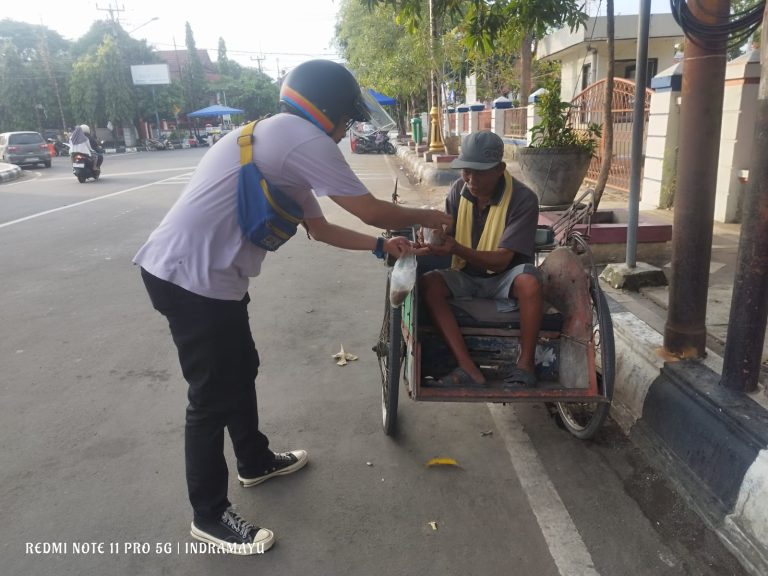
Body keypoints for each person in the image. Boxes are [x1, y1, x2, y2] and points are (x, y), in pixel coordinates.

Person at [133, 59, 451, 555]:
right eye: (346, 118)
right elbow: (370, 209)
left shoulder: (279, 142)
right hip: (190, 278)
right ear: (322, 110)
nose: (347, 129)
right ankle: (209, 516)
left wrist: (378, 247)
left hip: (210, 279)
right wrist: (432, 213)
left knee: (241, 367)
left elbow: (320, 228)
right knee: (212, 394)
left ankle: (255, 462)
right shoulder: (300, 138)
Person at [419, 130, 543, 388]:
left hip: (504, 277)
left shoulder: (524, 199)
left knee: (530, 282)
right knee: (429, 283)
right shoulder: (458, 191)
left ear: (500, 169)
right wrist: (433, 237)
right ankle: (467, 367)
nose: (471, 179)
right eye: (466, 170)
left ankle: (525, 365)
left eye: (480, 172)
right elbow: (446, 233)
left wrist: (457, 249)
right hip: (466, 274)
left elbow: (500, 261)